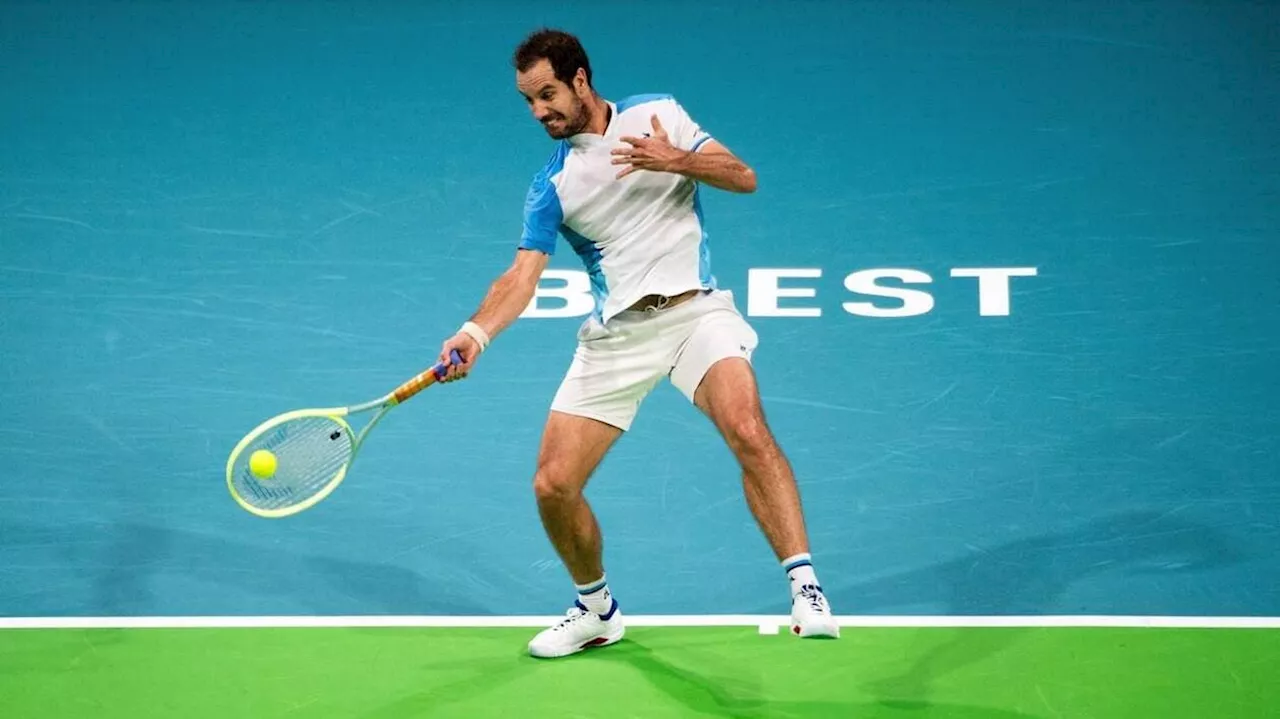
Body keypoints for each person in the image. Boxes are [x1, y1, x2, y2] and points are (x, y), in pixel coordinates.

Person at [437, 28, 839, 658]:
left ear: (579, 80)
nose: (539, 111)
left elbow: (744, 176)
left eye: (547, 94)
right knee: (552, 485)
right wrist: (475, 332)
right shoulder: (553, 185)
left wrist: (674, 159)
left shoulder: (659, 114)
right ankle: (596, 609)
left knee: (747, 428)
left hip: (697, 317)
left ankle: (806, 587)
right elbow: (522, 276)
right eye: (528, 101)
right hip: (617, 338)